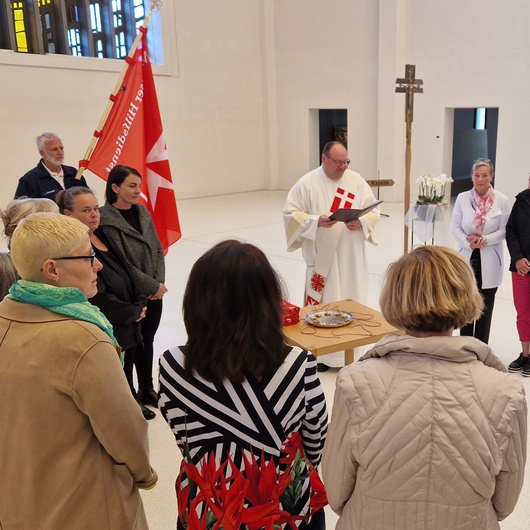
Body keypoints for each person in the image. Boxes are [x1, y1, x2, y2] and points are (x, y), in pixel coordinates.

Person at [322, 245, 527, 530]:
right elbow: (505, 504)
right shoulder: (506, 392)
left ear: (393, 298)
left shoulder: (355, 383)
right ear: (467, 296)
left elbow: (336, 490)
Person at [0, 212, 157, 529]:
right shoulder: (83, 339)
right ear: (52, 269)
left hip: (19, 505)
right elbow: (125, 431)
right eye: (88, 257)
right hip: (87, 509)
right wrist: (145, 475)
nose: (97, 265)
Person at [159, 240, 329, 530]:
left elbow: (184, 438)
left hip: (209, 508)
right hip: (284, 512)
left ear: (196, 302)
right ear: (268, 301)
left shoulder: (172, 365)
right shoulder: (298, 364)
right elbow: (315, 441)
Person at [57, 186, 153, 420]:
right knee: (114, 371)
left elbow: (128, 271)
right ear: (68, 215)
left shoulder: (103, 235)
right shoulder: (73, 250)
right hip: (111, 320)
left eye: (96, 208)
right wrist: (131, 311)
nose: (94, 214)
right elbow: (97, 294)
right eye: (86, 210)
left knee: (129, 361)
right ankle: (124, 406)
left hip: (129, 316)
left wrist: (139, 302)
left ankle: (132, 396)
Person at [283, 140, 379, 368]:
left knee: (352, 297)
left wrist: (362, 221)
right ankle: (324, 356)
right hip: (322, 262)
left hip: (351, 258)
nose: (343, 167)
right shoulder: (306, 183)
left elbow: (374, 210)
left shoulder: (356, 181)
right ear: (324, 159)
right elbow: (290, 214)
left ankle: (352, 353)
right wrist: (316, 221)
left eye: (346, 162)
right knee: (325, 304)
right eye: (338, 162)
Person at [99, 165, 167, 410]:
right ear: (115, 187)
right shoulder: (105, 221)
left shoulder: (143, 213)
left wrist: (158, 283)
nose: (138, 190)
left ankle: (147, 388)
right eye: (132, 185)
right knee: (131, 343)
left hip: (154, 292)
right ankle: (130, 395)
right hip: (131, 295)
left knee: (147, 340)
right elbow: (122, 264)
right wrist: (151, 285)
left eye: (139, 185)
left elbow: (157, 248)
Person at [450, 157, 510, 344]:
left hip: (490, 257)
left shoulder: (501, 200)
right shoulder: (462, 198)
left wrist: (485, 240)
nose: (481, 179)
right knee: (466, 301)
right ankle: (465, 345)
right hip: (467, 255)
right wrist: (468, 243)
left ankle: (481, 347)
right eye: (477, 175)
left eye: (485, 175)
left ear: (491, 176)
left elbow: (504, 229)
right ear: (471, 177)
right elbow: (455, 227)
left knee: (486, 303)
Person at [14, 131, 88, 199]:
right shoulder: (29, 180)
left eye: (61, 148)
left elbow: (89, 199)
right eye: (54, 149)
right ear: (42, 153)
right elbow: (21, 210)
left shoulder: (74, 174)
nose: (60, 152)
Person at [506, 172, 530, 375]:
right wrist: (517, 258)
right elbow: (511, 230)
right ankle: (525, 354)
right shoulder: (521, 200)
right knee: (523, 314)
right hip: (521, 269)